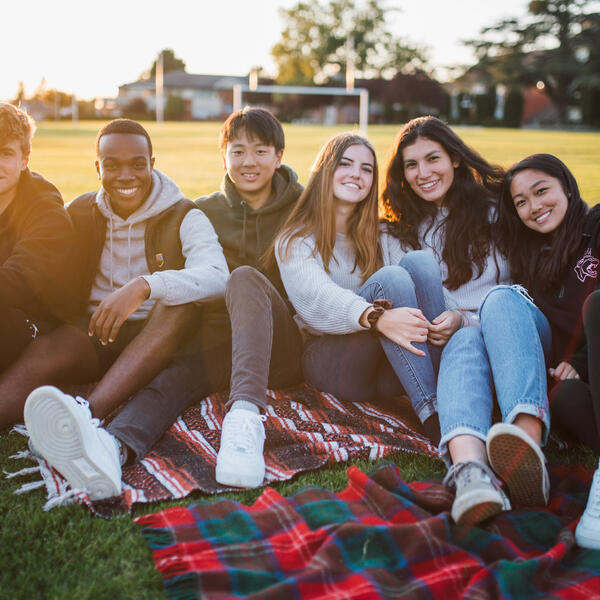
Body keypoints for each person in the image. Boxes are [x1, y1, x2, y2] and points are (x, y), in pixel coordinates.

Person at [21, 119, 229, 501]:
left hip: (160, 340)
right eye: (112, 165)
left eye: (137, 163)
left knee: (178, 307)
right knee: (55, 346)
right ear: (97, 168)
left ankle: (84, 415)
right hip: (97, 333)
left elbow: (219, 277)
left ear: (153, 162)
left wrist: (146, 285)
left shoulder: (185, 214)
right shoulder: (82, 211)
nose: (125, 174)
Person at [382, 116, 552, 526]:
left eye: (433, 158)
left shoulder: (496, 210)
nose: (423, 173)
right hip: (458, 351)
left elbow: (533, 273)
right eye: (411, 165)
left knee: (499, 299)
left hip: (516, 330)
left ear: (455, 159)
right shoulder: (395, 233)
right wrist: (457, 322)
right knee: (463, 339)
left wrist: (468, 315)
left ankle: (527, 444)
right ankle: (470, 471)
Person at [275, 131, 451, 448]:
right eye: (345, 164)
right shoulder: (295, 239)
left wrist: (454, 318)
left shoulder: (381, 233)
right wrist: (374, 317)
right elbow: (315, 299)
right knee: (393, 279)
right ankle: (435, 416)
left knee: (421, 262)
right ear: (325, 170)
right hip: (331, 361)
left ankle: (453, 391)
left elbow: (423, 289)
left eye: (367, 168)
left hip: (386, 369)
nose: (357, 174)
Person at [497, 153, 600, 549]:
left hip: (593, 353)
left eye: (541, 191)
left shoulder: (596, 226)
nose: (534, 207)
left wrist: (579, 361)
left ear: (567, 188)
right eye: (521, 202)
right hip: (578, 383)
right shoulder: (527, 258)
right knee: (564, 398)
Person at [0, 102, 75, 378]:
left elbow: (16, 282)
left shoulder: (44, 206)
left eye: (5, 153)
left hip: (35, 322)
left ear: (24, 159)